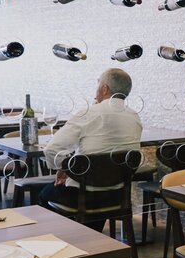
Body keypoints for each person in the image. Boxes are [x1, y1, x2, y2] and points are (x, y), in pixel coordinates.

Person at [40, 68, 142, 222]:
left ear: (104, 89)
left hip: (81, 196)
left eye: (98, 83)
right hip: (116, 195)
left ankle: (64, 236)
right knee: (93, 184)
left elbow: (51, 149)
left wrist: (65, 168)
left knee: (43, 194)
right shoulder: (134, 116)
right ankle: (90, 234)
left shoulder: (89, 112)